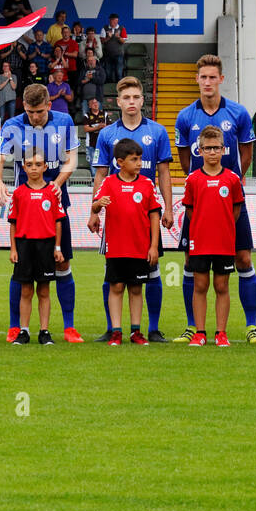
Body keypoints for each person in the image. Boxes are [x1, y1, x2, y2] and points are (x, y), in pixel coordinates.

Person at [174, 54, 256, 343]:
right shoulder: (186, 116)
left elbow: (246, 154)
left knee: (244, 258)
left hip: (229, 197)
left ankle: (251, 326)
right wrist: (202, 183)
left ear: (221, 79)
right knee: (190, 262)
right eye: (203, 77)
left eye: (213, 77)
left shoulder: (238, 113)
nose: (208, 82)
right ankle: (192, 327)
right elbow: (185, 159)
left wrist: (229, 179)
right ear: (196, 80)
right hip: (199, 201)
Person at [0, 83, 83, 344]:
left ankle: (68, 327)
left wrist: (56, 184)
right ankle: (15, 327)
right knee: (21, 268)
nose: (34, 117)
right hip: (25, 206)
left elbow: (72, 159)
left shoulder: (65, 121)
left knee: (62, 262)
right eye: (30, 112)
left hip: (55, 199)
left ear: (49, 106)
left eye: (40, 112)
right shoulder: (12, 125)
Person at [91, 76, 174, 342]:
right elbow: (101, 174)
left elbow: (164, 171)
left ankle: (152, 328)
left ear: (142, 100)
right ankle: (112, 328)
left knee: (151, 271)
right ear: (118, 101)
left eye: (136, 97)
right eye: (126, 97)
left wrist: (168, 208)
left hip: (145, 211)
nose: (131, 102)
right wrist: (94, 211)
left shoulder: (158, 132)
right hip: (117, 218)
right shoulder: (107, 134)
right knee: (113, 275)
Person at [88, 138, 162, 346]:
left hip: (139, 246)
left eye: (140, 159)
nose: (139, 163)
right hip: (116, 246)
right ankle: (116, 331)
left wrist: (153, 245)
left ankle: (136, 332)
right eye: (134, 159)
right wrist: (97, 205)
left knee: (137, 288)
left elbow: (154, 215)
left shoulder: (147, 184)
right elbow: (95, 208)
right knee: (116, 286)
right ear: (120, 162)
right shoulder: (109, 182)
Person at [182, 125, 244, 346]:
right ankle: (200, 332)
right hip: (200, 241)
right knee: (200, 286)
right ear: (199, 151)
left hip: (224, 241)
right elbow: (190, 210)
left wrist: (222, 226)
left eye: (216, 148)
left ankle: (221, 333)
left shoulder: (232, 179)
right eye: (207, 148)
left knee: (221, 286)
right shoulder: (193, 179)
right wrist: (202, 226)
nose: (212, 152)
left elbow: (235, 210)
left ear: (223, 149)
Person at [7, 150, 65, 345]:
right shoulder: (18, 192)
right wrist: (13, 249)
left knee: (44, 290)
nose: (33, 168)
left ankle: (44, 331)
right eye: (29, 164)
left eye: (38, 164)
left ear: (45, 167)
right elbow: (13, 223)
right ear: (24, 167)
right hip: (24, 245)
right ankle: (23, 331)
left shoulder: (52, 192)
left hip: (46, 245)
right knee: (25, 291)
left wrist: (57, 247)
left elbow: (58, 222)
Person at [102, 14, 126, 80]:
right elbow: (102, 41)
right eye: (113, 21)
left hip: (119, 54)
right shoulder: (104, 28)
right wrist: (108, 38)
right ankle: (109, 88)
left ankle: (119, 88)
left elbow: (123, 41)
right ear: (110, 20)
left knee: (119, 73)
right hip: (107, 54)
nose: (115, 22)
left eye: (116, 21)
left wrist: (118, 37)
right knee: (108, 73)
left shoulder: (122, 28)